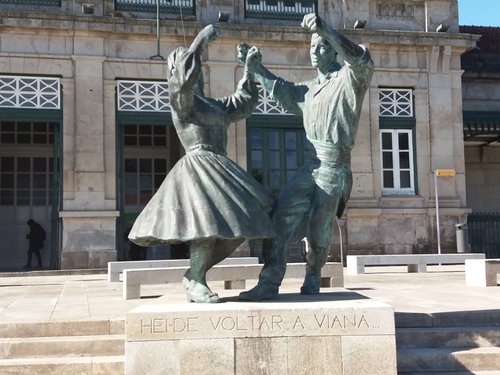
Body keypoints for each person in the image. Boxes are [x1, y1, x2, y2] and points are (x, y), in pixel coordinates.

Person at [128, 24, 275, 303]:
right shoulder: (182, 103)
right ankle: (197, 279)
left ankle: (195, 273)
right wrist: (201, 40)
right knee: (206, 228)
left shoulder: (214, 106)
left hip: (221, 167)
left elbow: (243, 102)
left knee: (242, 227)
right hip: (197, 167)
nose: (195, 70)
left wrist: (249, 68)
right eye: (188, 63)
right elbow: (181, 82)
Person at [240, 13, 374, 301]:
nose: (315, 52)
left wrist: (327, 30)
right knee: (281, 216)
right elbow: (282, 92)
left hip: (335, 167)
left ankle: (313, 275)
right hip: (312, 165)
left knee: (319, 232)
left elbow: (360, 61)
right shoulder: (309, 91)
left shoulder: (349, 80)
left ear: (334, 51)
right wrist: (255, 68)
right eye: (312, 47)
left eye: (322, 47)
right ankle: (269, 281)